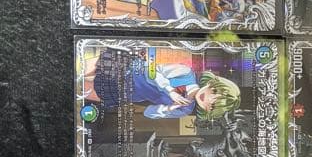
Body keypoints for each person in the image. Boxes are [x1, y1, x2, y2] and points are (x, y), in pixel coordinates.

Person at [83, 46, 240, 119]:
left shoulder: (185, 110)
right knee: (79, 68)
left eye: (213, 105)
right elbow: (154, 70)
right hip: (128, 68)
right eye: (214, 92)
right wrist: (170, 91)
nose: (208, 99)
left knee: (79, 90)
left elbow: (148, 112)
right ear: (211, 84)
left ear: (209, 110)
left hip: (126, 92)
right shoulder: (187, 73)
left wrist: (169, 108)